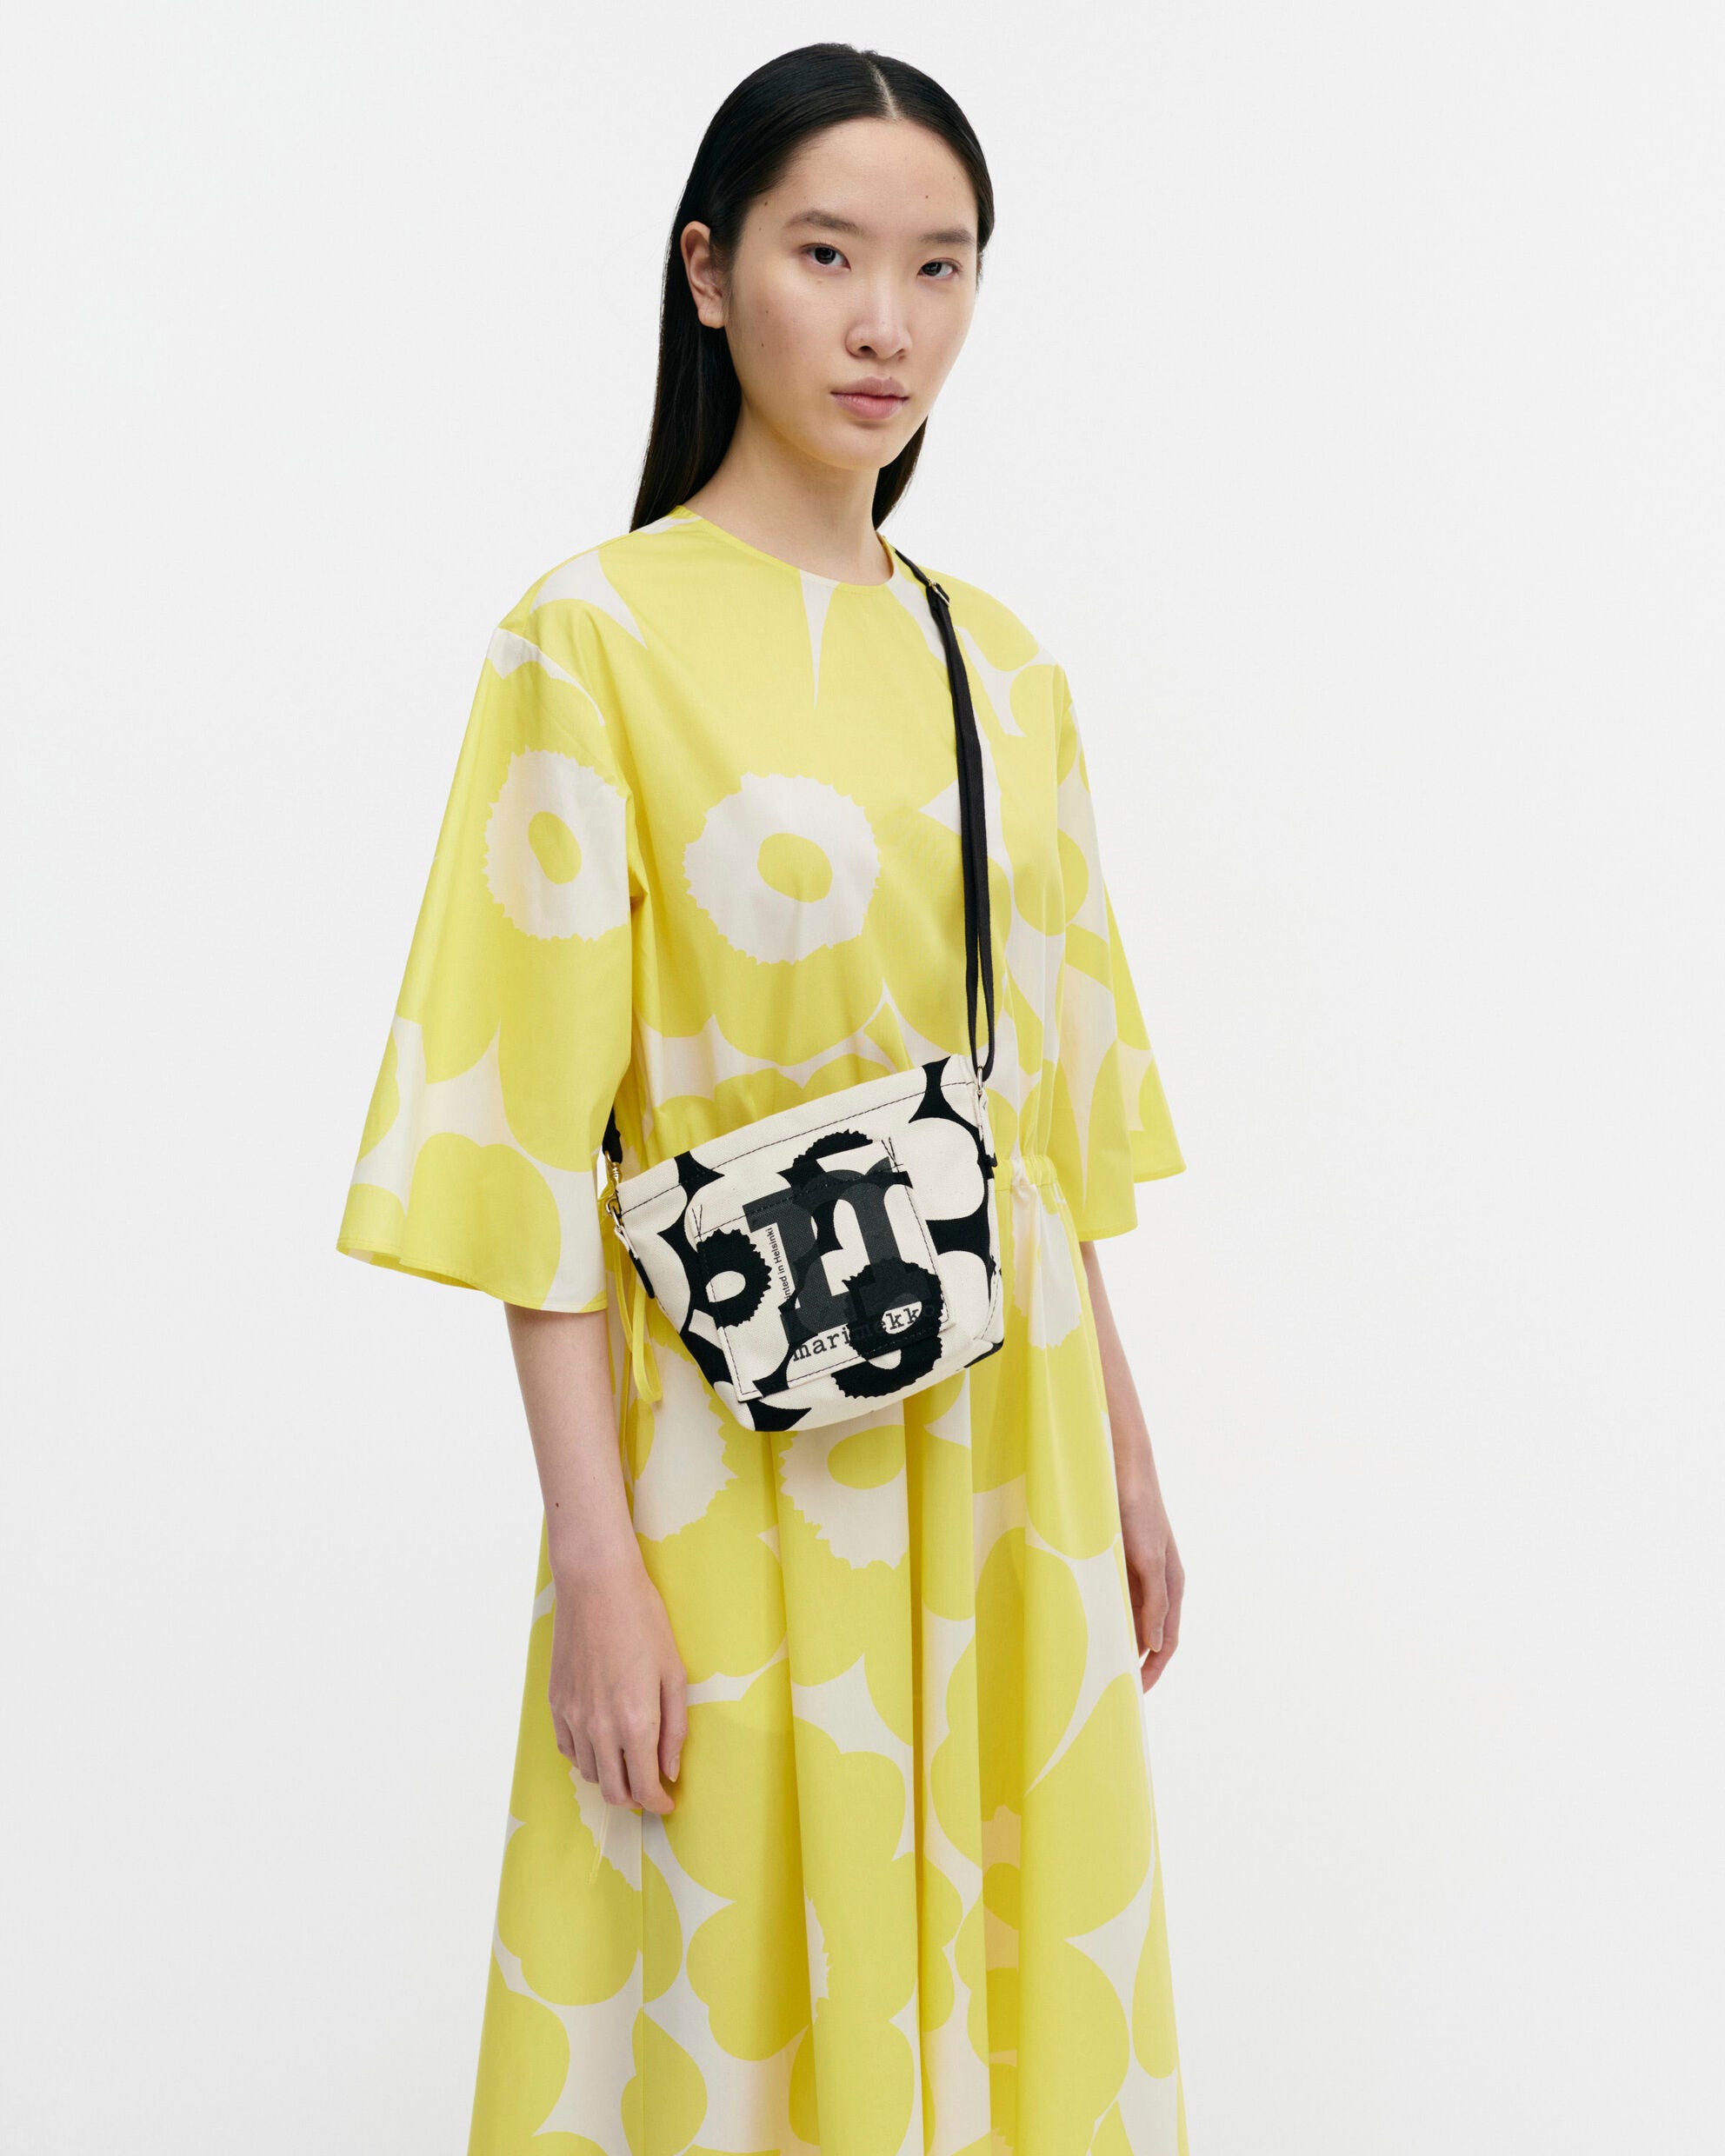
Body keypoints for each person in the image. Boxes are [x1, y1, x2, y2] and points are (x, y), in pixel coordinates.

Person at [336, 40, 1192, 2156]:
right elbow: (533, 1144)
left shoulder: (1002, 665)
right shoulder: (588, 639)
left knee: (1006, 1985)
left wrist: (1123, 1451)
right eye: (827, 255)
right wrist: (594, 1559)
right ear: (708, 274)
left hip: (1005, 1449)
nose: (887, 321)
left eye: (938, 265)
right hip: (722, 1453)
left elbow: (1044, 1112)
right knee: (718, 1993)